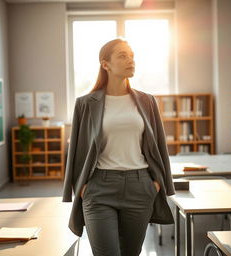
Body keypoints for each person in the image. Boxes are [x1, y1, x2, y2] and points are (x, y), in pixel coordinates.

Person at [63, 38, 175, 256]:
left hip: (140, 186)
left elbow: (160, 148)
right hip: (99, 189)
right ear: (106, 64)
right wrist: (82, 188)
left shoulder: (147, 101)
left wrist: (157, 185)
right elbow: (76, 152)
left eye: (132, 55)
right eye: (122, 56)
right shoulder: (85, 103)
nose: (130, 60)